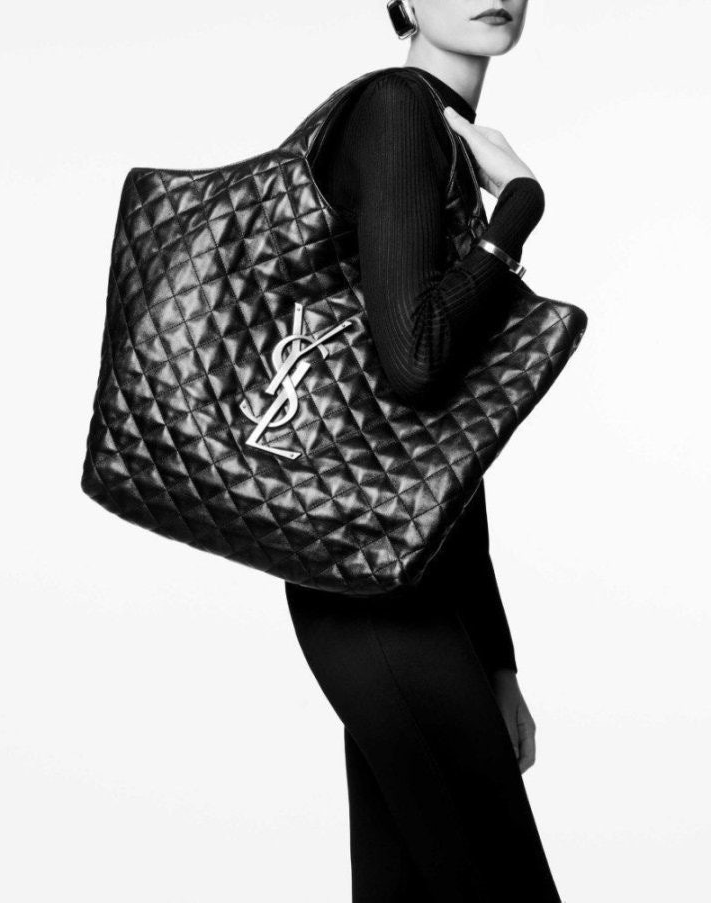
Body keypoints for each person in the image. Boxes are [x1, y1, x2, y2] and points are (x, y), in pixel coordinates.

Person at [286, 2, 562, 900]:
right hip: (377, 586)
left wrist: (494, 657)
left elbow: (440, 452)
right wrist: (518, 209)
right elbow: (415, 363)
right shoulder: (399, 109)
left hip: (400, 579)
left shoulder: (435, 134)